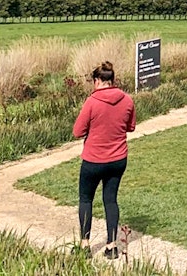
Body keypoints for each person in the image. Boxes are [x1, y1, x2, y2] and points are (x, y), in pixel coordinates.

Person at [72, 61, 136, 260]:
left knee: (86, 199)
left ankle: (84, 245)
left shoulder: (92, 102)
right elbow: (131, 127)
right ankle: (111, 245)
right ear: (113, 80)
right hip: (118, 159)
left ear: (98, 81)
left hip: (93, 159)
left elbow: (77, 131)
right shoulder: (127, 100)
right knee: (110, 200)